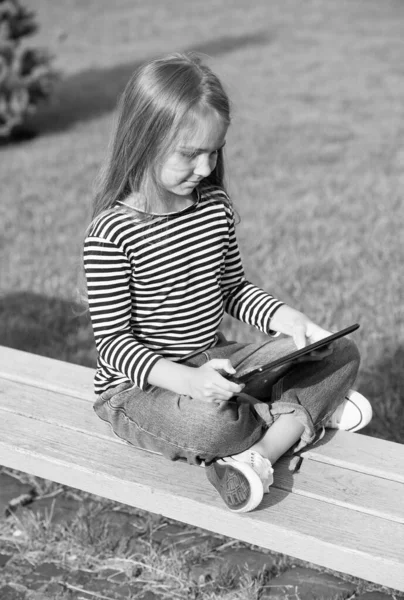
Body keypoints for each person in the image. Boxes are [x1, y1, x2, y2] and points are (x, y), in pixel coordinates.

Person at [83, 52, 372, 513]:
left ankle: (260, 452)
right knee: (212, 426)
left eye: (214, 151)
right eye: (190, 153)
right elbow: (114, 346)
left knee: (336, 349)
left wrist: (286, 318)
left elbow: (234, 289)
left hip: (218, 364)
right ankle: (295, 415)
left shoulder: (212, 206)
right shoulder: (112, 234)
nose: (205, 167)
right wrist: (188, 382)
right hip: (141, 391)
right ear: (144, 140)